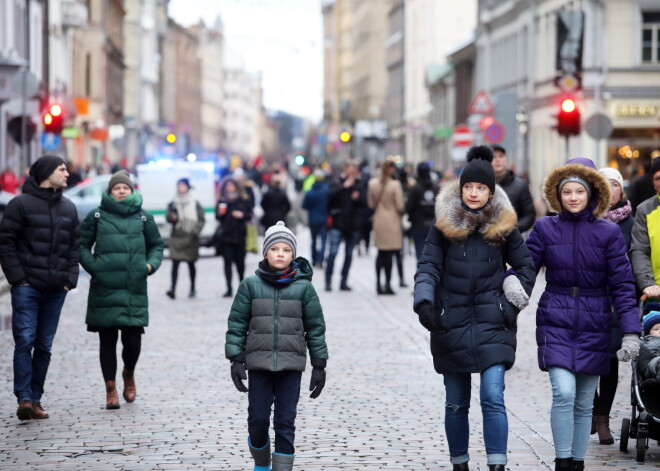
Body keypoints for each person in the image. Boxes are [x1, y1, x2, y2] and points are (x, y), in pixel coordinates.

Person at [413, 146, 536, 471]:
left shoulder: (504, 227)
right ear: (461, 188)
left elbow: (526, 268)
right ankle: (460, 464)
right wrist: (425, 299)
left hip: (493, 322)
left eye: (481, 187)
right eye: (468, 187)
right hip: (449, 322)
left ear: (490, 191)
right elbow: (428, 265)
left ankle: (497, 465)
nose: (474, 193)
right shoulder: (443, 226)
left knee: (493, 397)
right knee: (456, 403)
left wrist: (508, 306)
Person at [525, 157, 641, 471]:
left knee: (582, 401)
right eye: (567, 192)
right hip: (556, 317)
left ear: (591, 193)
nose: (573, 197)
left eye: (579, 191)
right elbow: (526, 268)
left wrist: (630, 330)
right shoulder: (545, 227)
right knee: (563, 392)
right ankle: (563, 461)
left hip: (596, 320)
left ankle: (577, 463)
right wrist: (512, 284)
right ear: (558, 195)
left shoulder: (608, 233)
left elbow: (622, 284)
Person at [225, 221, 328, 471]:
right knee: (258, 420)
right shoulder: (250, 285)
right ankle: (261, 460)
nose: (280, 254)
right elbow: (237, 323)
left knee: (285, 422)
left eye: (286, 250)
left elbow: (315, 327)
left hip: (291, 366)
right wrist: (236, 359)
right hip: (258, 364)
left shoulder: (304, 288)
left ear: (293, 254)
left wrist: (319, 365)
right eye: (275, 249)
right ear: (265, 253)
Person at [0, 155, 80, 420]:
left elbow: (74, 247)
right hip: (27, 287)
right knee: (25, 340)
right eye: (62, 169)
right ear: (47, 173)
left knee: (44, 345)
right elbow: (7, 243)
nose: (67, 174)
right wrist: (18, 278)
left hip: (56, 288)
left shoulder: (68, 207)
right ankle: (23, 398)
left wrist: (70, 279)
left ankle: (35, 399)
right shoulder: (19, 205)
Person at [79, 170, 164, 409]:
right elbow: (82, 244)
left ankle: (128, 372)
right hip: (104, 288)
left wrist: (149, 266)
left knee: (133, 343)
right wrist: (94, 267)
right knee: (107, 341)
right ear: (110, 191)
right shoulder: (96, 216)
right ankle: (110, 389)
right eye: (117, 188)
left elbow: (157, 245)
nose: (121, 191)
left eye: (125, 187)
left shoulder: (144, 217)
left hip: (133, 288)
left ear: (132, 190)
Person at [590, 167, 634, 444]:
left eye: (615, 184)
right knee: (584, 359)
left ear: (621, 190)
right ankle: (592, 409)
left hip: (616, 299)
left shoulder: (631, 222)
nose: (611, 189)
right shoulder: (588, 220)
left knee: (609, 362)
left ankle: (603, 418)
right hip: (590, 297)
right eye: (605, 184)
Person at [325, 159, 366, 291]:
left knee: (349, 254)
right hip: (338, 222)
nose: (353, 173)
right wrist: (344, 187)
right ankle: (328, 281)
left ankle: (344, 281)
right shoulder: (336, 182)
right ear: (345, 169)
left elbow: (365, 202)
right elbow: (329, 197)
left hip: (352, 224)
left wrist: (358, 197)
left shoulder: (359, 184)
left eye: (355, 170)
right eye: (351, 169)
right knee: (333, 252)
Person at [368, 159, 404, 295]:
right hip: (392, 220)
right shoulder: (395, 185)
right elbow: (400, 205)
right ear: (392, 170)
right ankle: (388, 284)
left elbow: (371, 204)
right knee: (389, 254)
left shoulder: (372, 184)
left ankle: (378, 283)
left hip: (379, 220)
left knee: (380, 253)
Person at [165, 178, 205, 299]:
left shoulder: (195, 202)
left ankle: (192, 288)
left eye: (183, 186)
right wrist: (172, 218)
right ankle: (172, 289)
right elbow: (168, 218)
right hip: (177, 236)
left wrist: (195, 231)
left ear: (188, 187)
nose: (181, 188)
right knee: (175, 263)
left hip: (190, 237)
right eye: (179, 186)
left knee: (191, 264)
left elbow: (201, 219)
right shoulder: (173, 203)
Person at [216, 177, 252, 297]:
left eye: (232, 185)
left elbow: (249, 215)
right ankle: (229, 288)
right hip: (226, 236)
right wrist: (220, 214)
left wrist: (242, 215)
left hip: (240, 235)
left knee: (240, 263)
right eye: (227, 186)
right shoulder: (222, 200)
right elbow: (218, 217)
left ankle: (241, 286)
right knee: (227, 263)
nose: (229, 188)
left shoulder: (243, 199)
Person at [631, 156, 660, 300]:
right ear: (653, 183)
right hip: (656, 294)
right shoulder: (644, 210)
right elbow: (640, 250)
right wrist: (647, 283)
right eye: (658, 178)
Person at [491, 145, 536, 233]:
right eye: (493, 157)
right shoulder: (482, 186)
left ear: (506, 159)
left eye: (501, 156)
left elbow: (529, 215)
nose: (497, 160)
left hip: (512, 240)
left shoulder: (521, 185)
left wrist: (513, 230)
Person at [406, 162, 440, 261]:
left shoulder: (415, 189)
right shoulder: (436, 188)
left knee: (420, 256)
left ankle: (422, 275)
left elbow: (409, 207)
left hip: (418, 225)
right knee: (434, 256)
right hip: (434, 225)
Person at [301, 169, 328, 268]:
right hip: (323, 219)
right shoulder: (326, 190)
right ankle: (321, 259)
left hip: (313, 219)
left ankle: (314, 259)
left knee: (313, 240)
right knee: (323, 241)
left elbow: (304, 205)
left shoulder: (310, 192)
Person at [637, 308, 660, 382]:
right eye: (656, 329)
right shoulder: (648, 342)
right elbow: (649, 353)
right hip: (651, 366)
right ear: (648, 333)